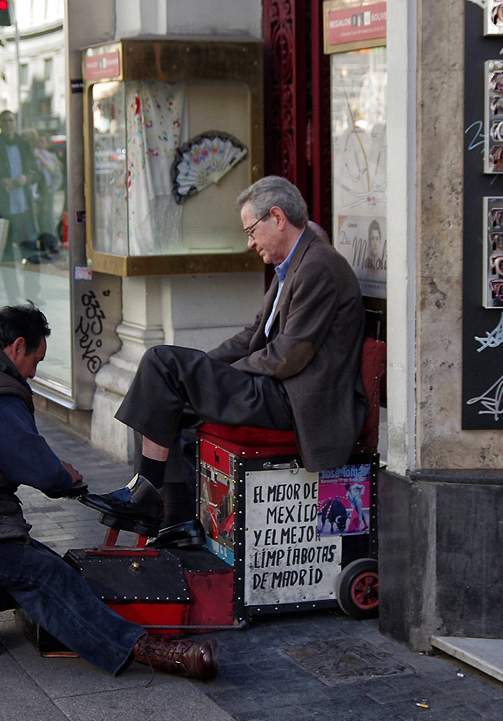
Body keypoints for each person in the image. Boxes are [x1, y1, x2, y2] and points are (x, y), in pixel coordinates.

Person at [0, 304, 217, 680]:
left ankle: (79, 623)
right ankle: (142, 649)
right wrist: (67, 479)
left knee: (45, 566)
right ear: (16, 347)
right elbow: (38, 469)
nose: (34, 371)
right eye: (36, 359)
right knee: (43, 573)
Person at [82, 176, 366, 547]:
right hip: (279, 389)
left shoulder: (318, 266)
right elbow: (252, 336)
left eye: (251, 231)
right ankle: (176, 522)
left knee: (158, 361)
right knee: (166, 391)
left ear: (277, 217)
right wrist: (203, 369)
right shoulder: (295, 263)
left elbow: (289, 357)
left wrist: (217, 374)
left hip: (297, 402)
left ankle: (146, 492)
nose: (250, 243)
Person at [0, 111, 42, 260]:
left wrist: (26, 178)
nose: (8, 124)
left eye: (11, 121)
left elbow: (36, 173)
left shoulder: (24, 146)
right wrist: (0, 182)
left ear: (15, 123)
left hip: (25, 209)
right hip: (4, 210)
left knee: (31, 254)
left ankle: (33, 283)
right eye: (4, 121)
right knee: (6, 256)